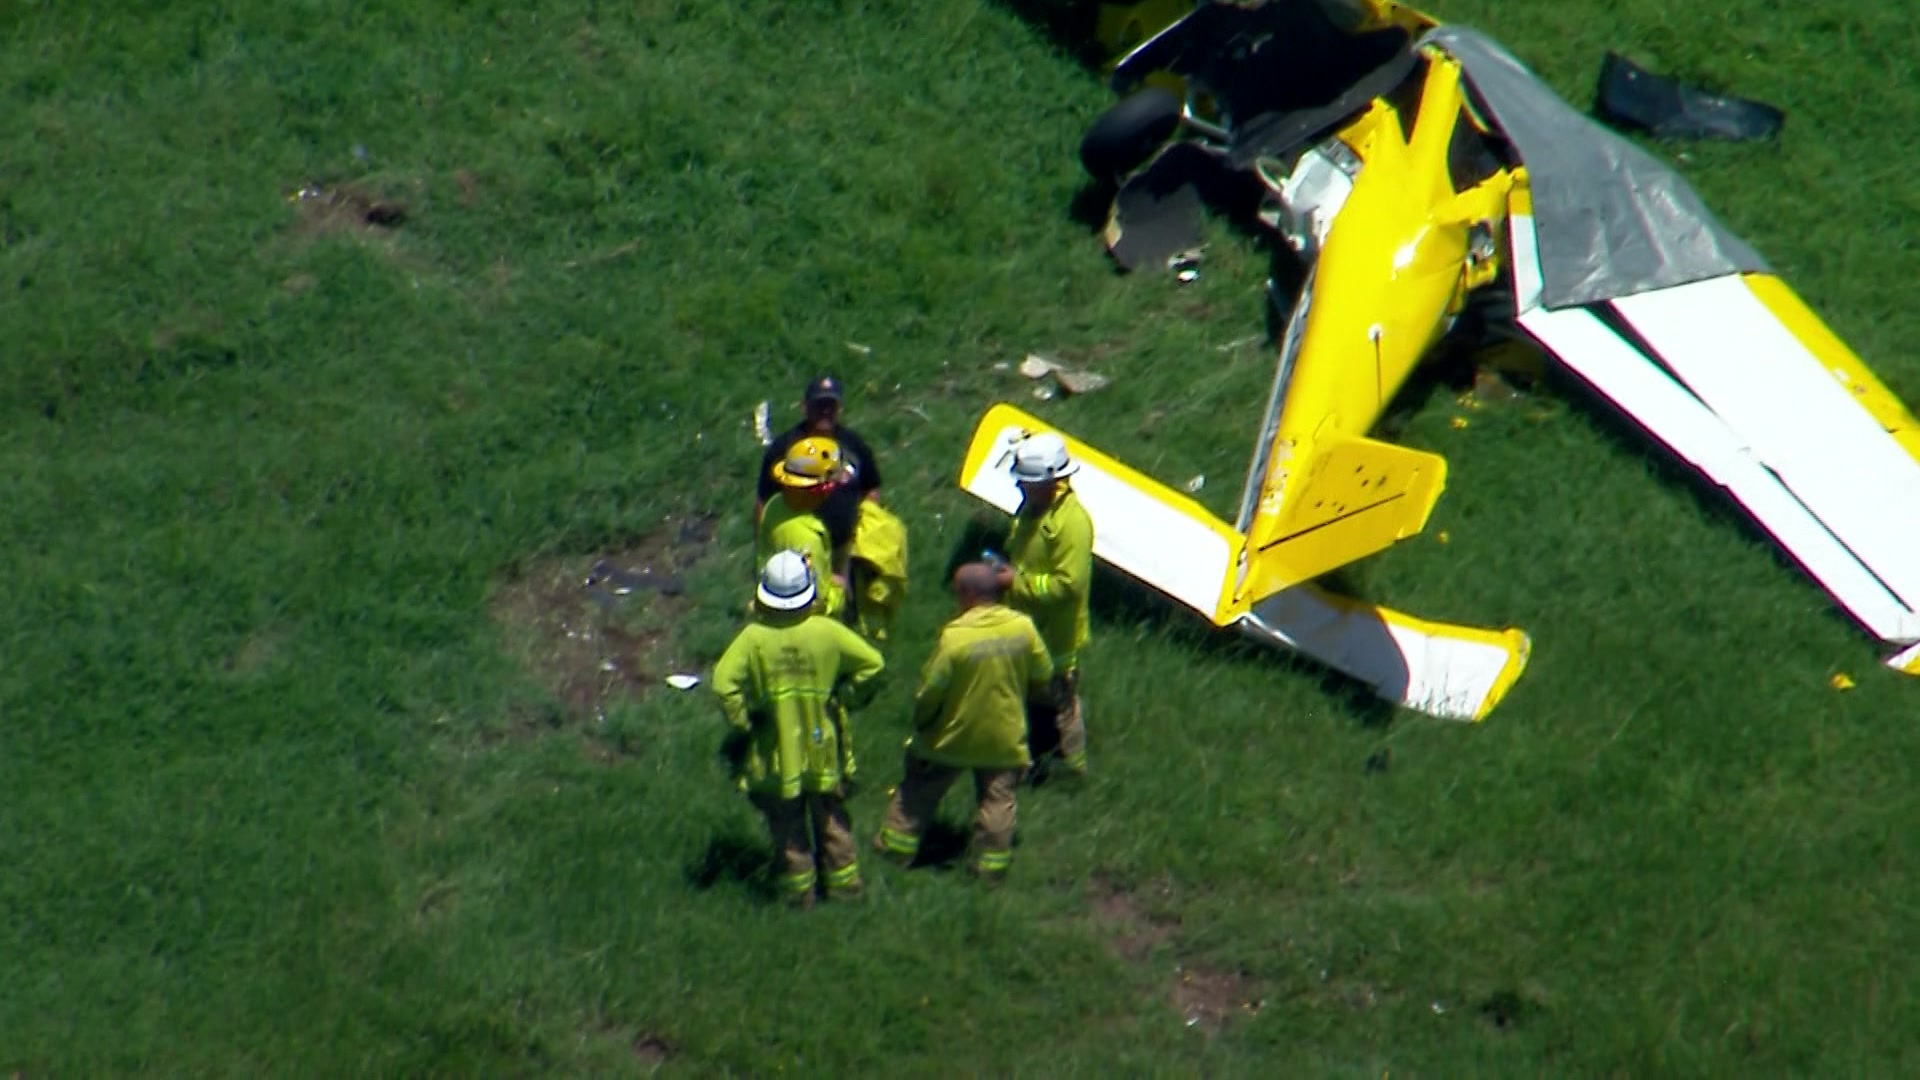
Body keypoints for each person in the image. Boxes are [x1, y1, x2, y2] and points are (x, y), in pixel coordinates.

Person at [712, 550, 886, 908]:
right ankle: (845, 888)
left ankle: (798, 895)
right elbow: (874, 664)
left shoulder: (753, 638)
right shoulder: (828, 632)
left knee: (787, 824)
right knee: (832, 820)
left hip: (777, 753)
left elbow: (722, 684)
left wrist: (745, 721)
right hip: (824, 747)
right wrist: (849, 696)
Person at [873, 563, 1053, 883]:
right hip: (1004, 736)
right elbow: (1043, 675)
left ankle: (894, 852)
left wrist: (923, 721)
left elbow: (932, 690)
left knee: (918, 792)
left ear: (968, 594)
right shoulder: (1023, 628)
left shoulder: (956, 637)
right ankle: (990, 868)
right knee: (998, 800)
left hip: (952, 737)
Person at [994, 432, 1094, 779]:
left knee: (1060, 704)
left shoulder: (1072, 524)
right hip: (1030, 626)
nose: (1020, 488)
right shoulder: (1033, 508)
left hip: (1057, 637)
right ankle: (1035, 760)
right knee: (1033, 701)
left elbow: (1068, 585)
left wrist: (1015, 583)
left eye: (1026, 482)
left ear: (1051, 481)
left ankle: (1072, 770)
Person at [756, 376, 883, 552]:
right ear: (805, 406)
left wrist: (866, 530)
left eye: (831, 405)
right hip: (798, 549)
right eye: (819, 405)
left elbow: (871, 487)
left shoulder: (854, 445)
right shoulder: (784, 448)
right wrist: (766, 546)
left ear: (840, 408)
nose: (825, 411)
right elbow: (764, 501)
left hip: (847, 549)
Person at [757, 435, 848, 618]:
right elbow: (819, 603)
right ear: (820, 489)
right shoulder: (809, 540)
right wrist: (838, 589)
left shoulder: (775, 505)